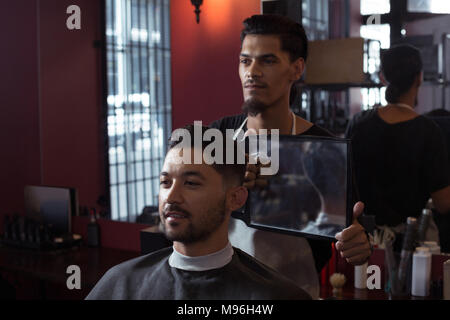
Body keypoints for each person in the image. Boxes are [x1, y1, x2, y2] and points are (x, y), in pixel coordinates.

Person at [209, 14, 372, 299]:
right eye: (245, 61)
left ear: (297, 69)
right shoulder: (219, 136)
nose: (252, 72)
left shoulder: (325, 151)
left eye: (267, 61)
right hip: (222, 294)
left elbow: (348, 231)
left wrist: (357, 245)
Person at [85, 125, 311, 300]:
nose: (171, 197)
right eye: (165, 182)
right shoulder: (122, 284)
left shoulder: (277, 295)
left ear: (235, 198)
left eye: (191, 183)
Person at [345, 44, 450, 245]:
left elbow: (345, 185)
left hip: (361, 241)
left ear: (383, 77)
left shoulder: (358, 123)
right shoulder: (429, 131)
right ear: (419, 77)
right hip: (409, 244)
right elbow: (443, 203)